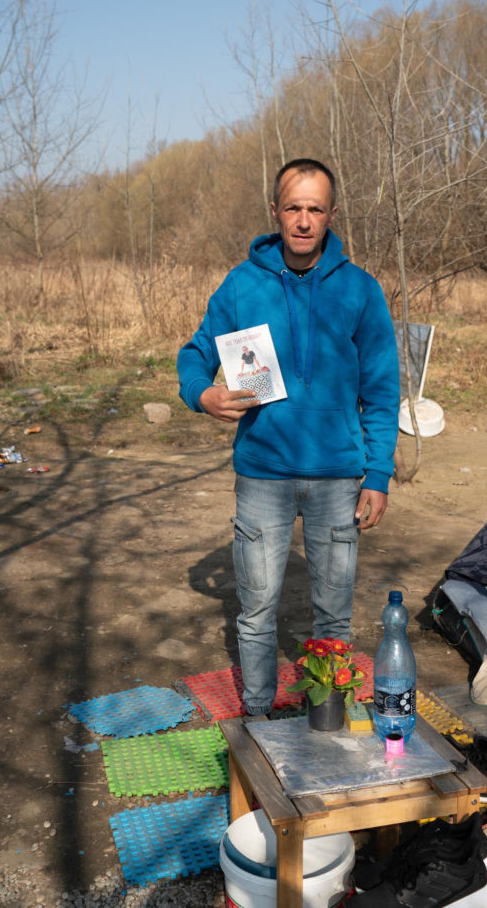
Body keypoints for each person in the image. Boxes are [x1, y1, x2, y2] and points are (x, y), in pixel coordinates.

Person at [177, 158, 400, 715]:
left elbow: (381, 389)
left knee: (334, 618)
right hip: (263, 475)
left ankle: (327, 722)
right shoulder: (241, 284)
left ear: (332, 214)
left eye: (315, 209)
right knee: (256, 613)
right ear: (275, 211)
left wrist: (377, 474)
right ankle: (257, 717)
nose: (303, 220)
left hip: (338, 478)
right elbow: (196, 352)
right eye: (294, 208)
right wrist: (202, 393)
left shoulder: (360, 290)